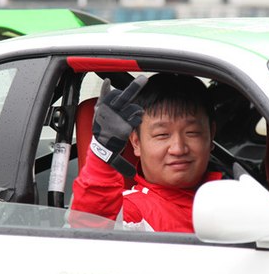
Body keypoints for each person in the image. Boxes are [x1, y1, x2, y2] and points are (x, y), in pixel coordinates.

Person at [71, 73, 222, 232]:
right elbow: (87, 231)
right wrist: (102, 153)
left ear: (211, 134)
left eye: (192, 133)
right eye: (162, 135)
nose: (178, 148)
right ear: (136, 142)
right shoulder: (133, 212)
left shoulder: (230, 196)